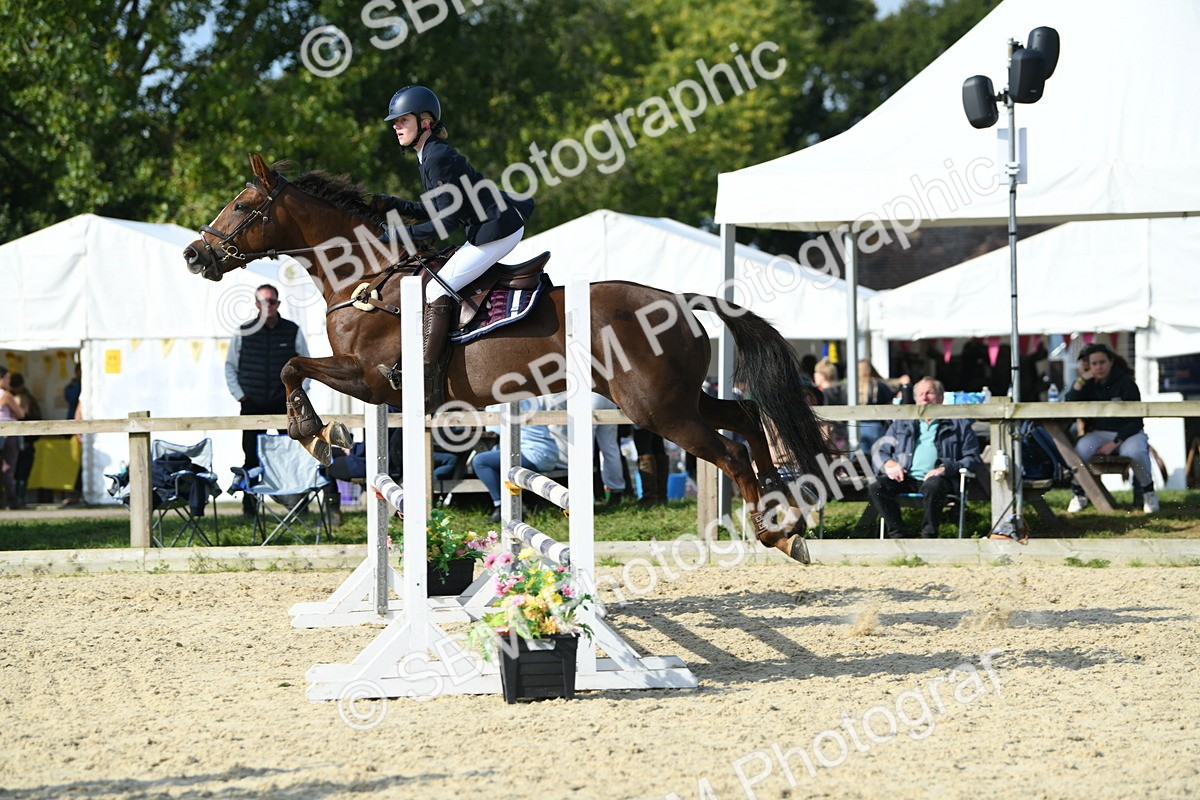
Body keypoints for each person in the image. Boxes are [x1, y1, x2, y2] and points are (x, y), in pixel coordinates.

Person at [372, 85, 536, 411]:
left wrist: (398, 235)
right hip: (489, 225)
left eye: (403, 120)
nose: (396, 126)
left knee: (436, 289)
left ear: (425, 122)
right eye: (395, 122)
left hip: (498, 229)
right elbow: (437, 209)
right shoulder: (428, 154)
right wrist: (395, 204)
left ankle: (425, 371)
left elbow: (444, 224)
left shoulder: (436, 157)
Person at [225, 284, 310, 517]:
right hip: (252, 403)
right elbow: (230, 367)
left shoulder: (292, 330)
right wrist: (240, 395)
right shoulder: (243, 332)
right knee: (250, 455)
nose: (268, 306)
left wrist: (299, 396)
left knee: (291, 453)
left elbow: (306, 366)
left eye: (272, 301)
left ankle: (297, 505)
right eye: (263, 301)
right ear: (256, 304)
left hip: (285, 404)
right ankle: (250, 507)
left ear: (278, 304)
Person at [868, 377, 981, 539]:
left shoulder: (959, 425)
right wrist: (889, 462)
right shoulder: (902, 423)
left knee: (933, 485)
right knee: (876, 486)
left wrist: (945, 468)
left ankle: (928, 536)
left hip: (940, 480)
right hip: (905, 477)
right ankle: (898, 535)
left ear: (941, 398)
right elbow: (880, 451)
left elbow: (972, 458)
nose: (924, 398)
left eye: (929, 393)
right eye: (920, 394)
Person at [1063, 343, 1157, 513]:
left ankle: (1148, 492)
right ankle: (1079, 493)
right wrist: (1081, 379)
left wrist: (1114, 443)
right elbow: (1069, 403)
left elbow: (1136, 422)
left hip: (1128, 434)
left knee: (1135, 451)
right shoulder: (1088, 384)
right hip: (1098, 433)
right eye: (1094, 363)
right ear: (1089, 365)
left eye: (1102, 362)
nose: (1098, 367)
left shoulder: (1126, 383)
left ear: (1111, 362)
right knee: (1079, 451)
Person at [472, 396, 560, 522]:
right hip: (549, 452)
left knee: (480, 461)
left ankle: (501, 506)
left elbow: (494, 428)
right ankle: (517, 504)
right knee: (497, 461)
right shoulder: (531, 396)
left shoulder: (501, 400)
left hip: (532, 453)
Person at [9, 374, 40, 508]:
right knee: (18, 473)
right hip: (20, 442)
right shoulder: (11, 397)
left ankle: (18, 499)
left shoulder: (25, 400)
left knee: (20, 472)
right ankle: (17, 499)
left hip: (24, 442)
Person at [0, 367, 28, 508]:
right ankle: (12, 499)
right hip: (8, 433)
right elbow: (21, 413)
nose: (9, 381)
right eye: (7, 378)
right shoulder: (6, 395)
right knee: (8, 467)